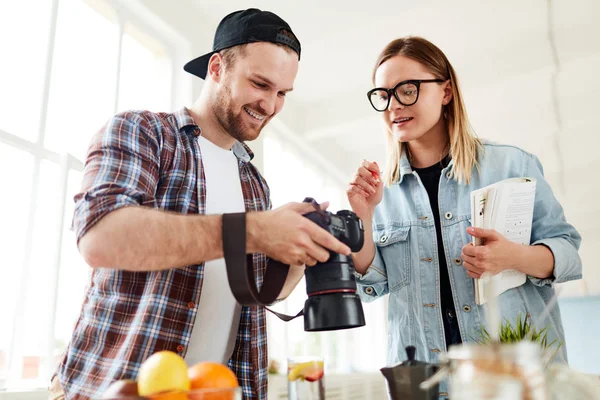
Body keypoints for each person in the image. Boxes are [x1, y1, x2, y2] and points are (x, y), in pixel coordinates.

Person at [49, 9, 351, 400]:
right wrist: (254, 231)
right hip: (110, 387)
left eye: (282, 94)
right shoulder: (143, 133)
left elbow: (263, 292)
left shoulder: (255, 184)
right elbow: (99, 236)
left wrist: (298, 247)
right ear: (217, 68)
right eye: (260, 84)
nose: (271, 105)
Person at [348, 36, 582, 395]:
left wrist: (513, 257)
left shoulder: (511, 164)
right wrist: (363, 217)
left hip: (513, 381)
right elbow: (371, 286)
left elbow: (567, 253)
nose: (393, 105)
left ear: (446, 92)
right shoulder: (381, 190)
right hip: (425, 383)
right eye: (383, 95)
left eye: (407, 90)